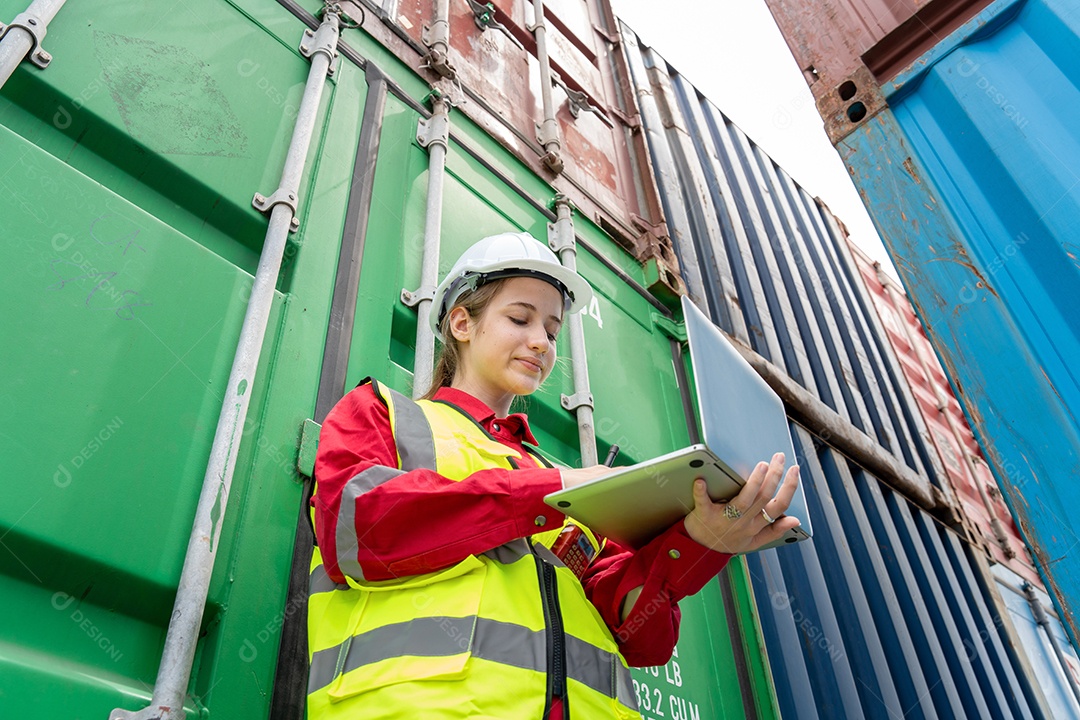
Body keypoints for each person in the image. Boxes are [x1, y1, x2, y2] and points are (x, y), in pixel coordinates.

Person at [306, 232, 801, 719]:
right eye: (520, 318)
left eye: (551, 330)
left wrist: (700, 541)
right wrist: (549, 491)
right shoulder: (383, 413)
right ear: (461, 322)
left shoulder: (565, 483)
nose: (541, 342)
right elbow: (356, 529)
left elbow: (642, 641)